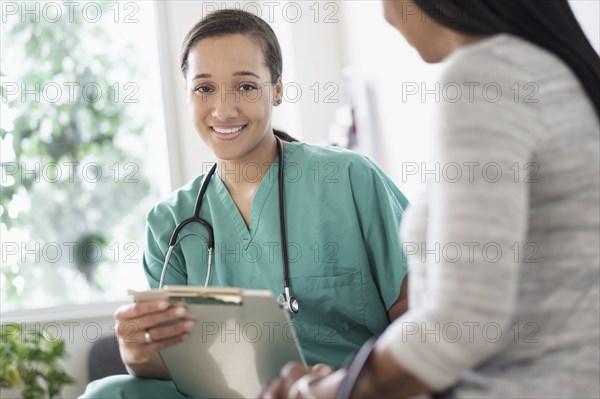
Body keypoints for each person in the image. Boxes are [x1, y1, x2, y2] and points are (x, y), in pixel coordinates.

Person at [261, 0, 600, 398]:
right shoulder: (548, 72)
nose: (387, 17)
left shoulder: (484, 76)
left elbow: (460, 324)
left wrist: (317, 392)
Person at [81, 8, 410, 398]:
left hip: (337, 391)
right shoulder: (171, 221)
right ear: (187, 95)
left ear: (278, 89)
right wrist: (136, 353)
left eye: (246, 87)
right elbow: (170, 360)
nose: (224, 110)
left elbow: (415, 308)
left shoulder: (349, 178)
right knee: (109, 392)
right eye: (204, 89)